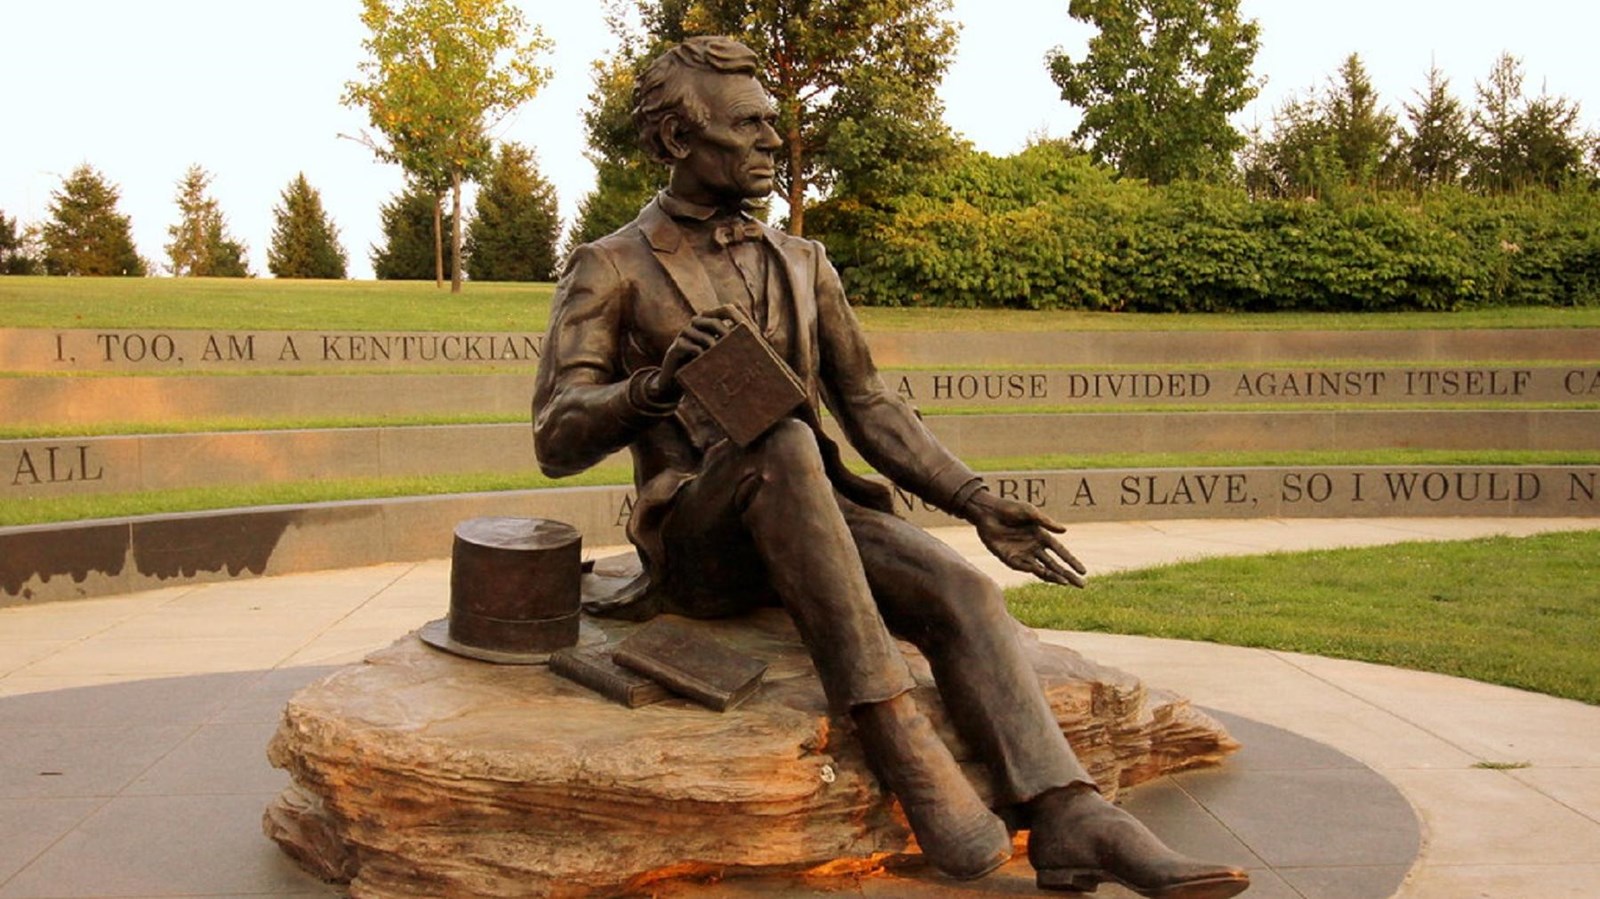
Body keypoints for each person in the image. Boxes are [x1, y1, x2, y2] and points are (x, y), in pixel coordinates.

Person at [532, 35, 1249, 899]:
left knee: (964, 592)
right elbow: (556, 436)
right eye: (748, 127)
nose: (772, 142)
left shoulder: (805, 263)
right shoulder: (612, 265)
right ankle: (900, 740)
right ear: (680, 143)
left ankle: (1070, 815)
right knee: (786, 440)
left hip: (814, 523)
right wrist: (650, 385)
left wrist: (975, 499)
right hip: (702, 545)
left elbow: (870, 404)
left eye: (773, 124)